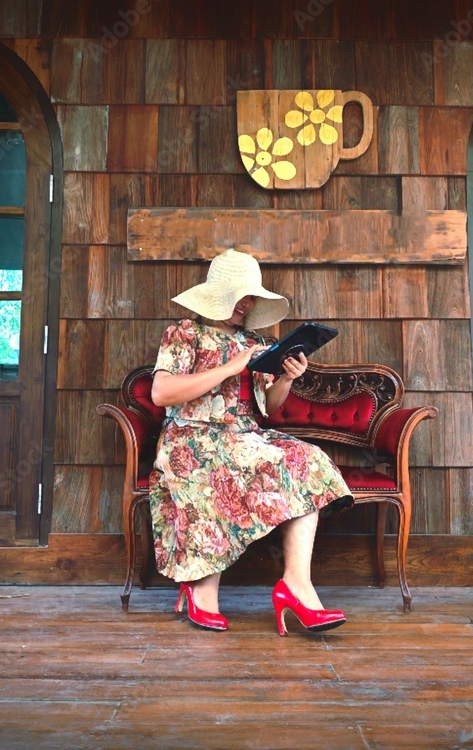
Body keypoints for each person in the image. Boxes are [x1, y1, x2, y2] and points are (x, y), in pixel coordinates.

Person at [149, 248, 354, 635]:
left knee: (306, 460)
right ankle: (201, 588)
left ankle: (297, 585)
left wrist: (287, 379)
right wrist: (232, 366)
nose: (246, 303)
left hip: (245, 435)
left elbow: (268, 410)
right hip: (191, 437)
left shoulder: (257, 342)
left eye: (250, 296)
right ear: (217, 294)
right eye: (239, 295)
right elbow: (162, 393)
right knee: (215, 468)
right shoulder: (184, 333)